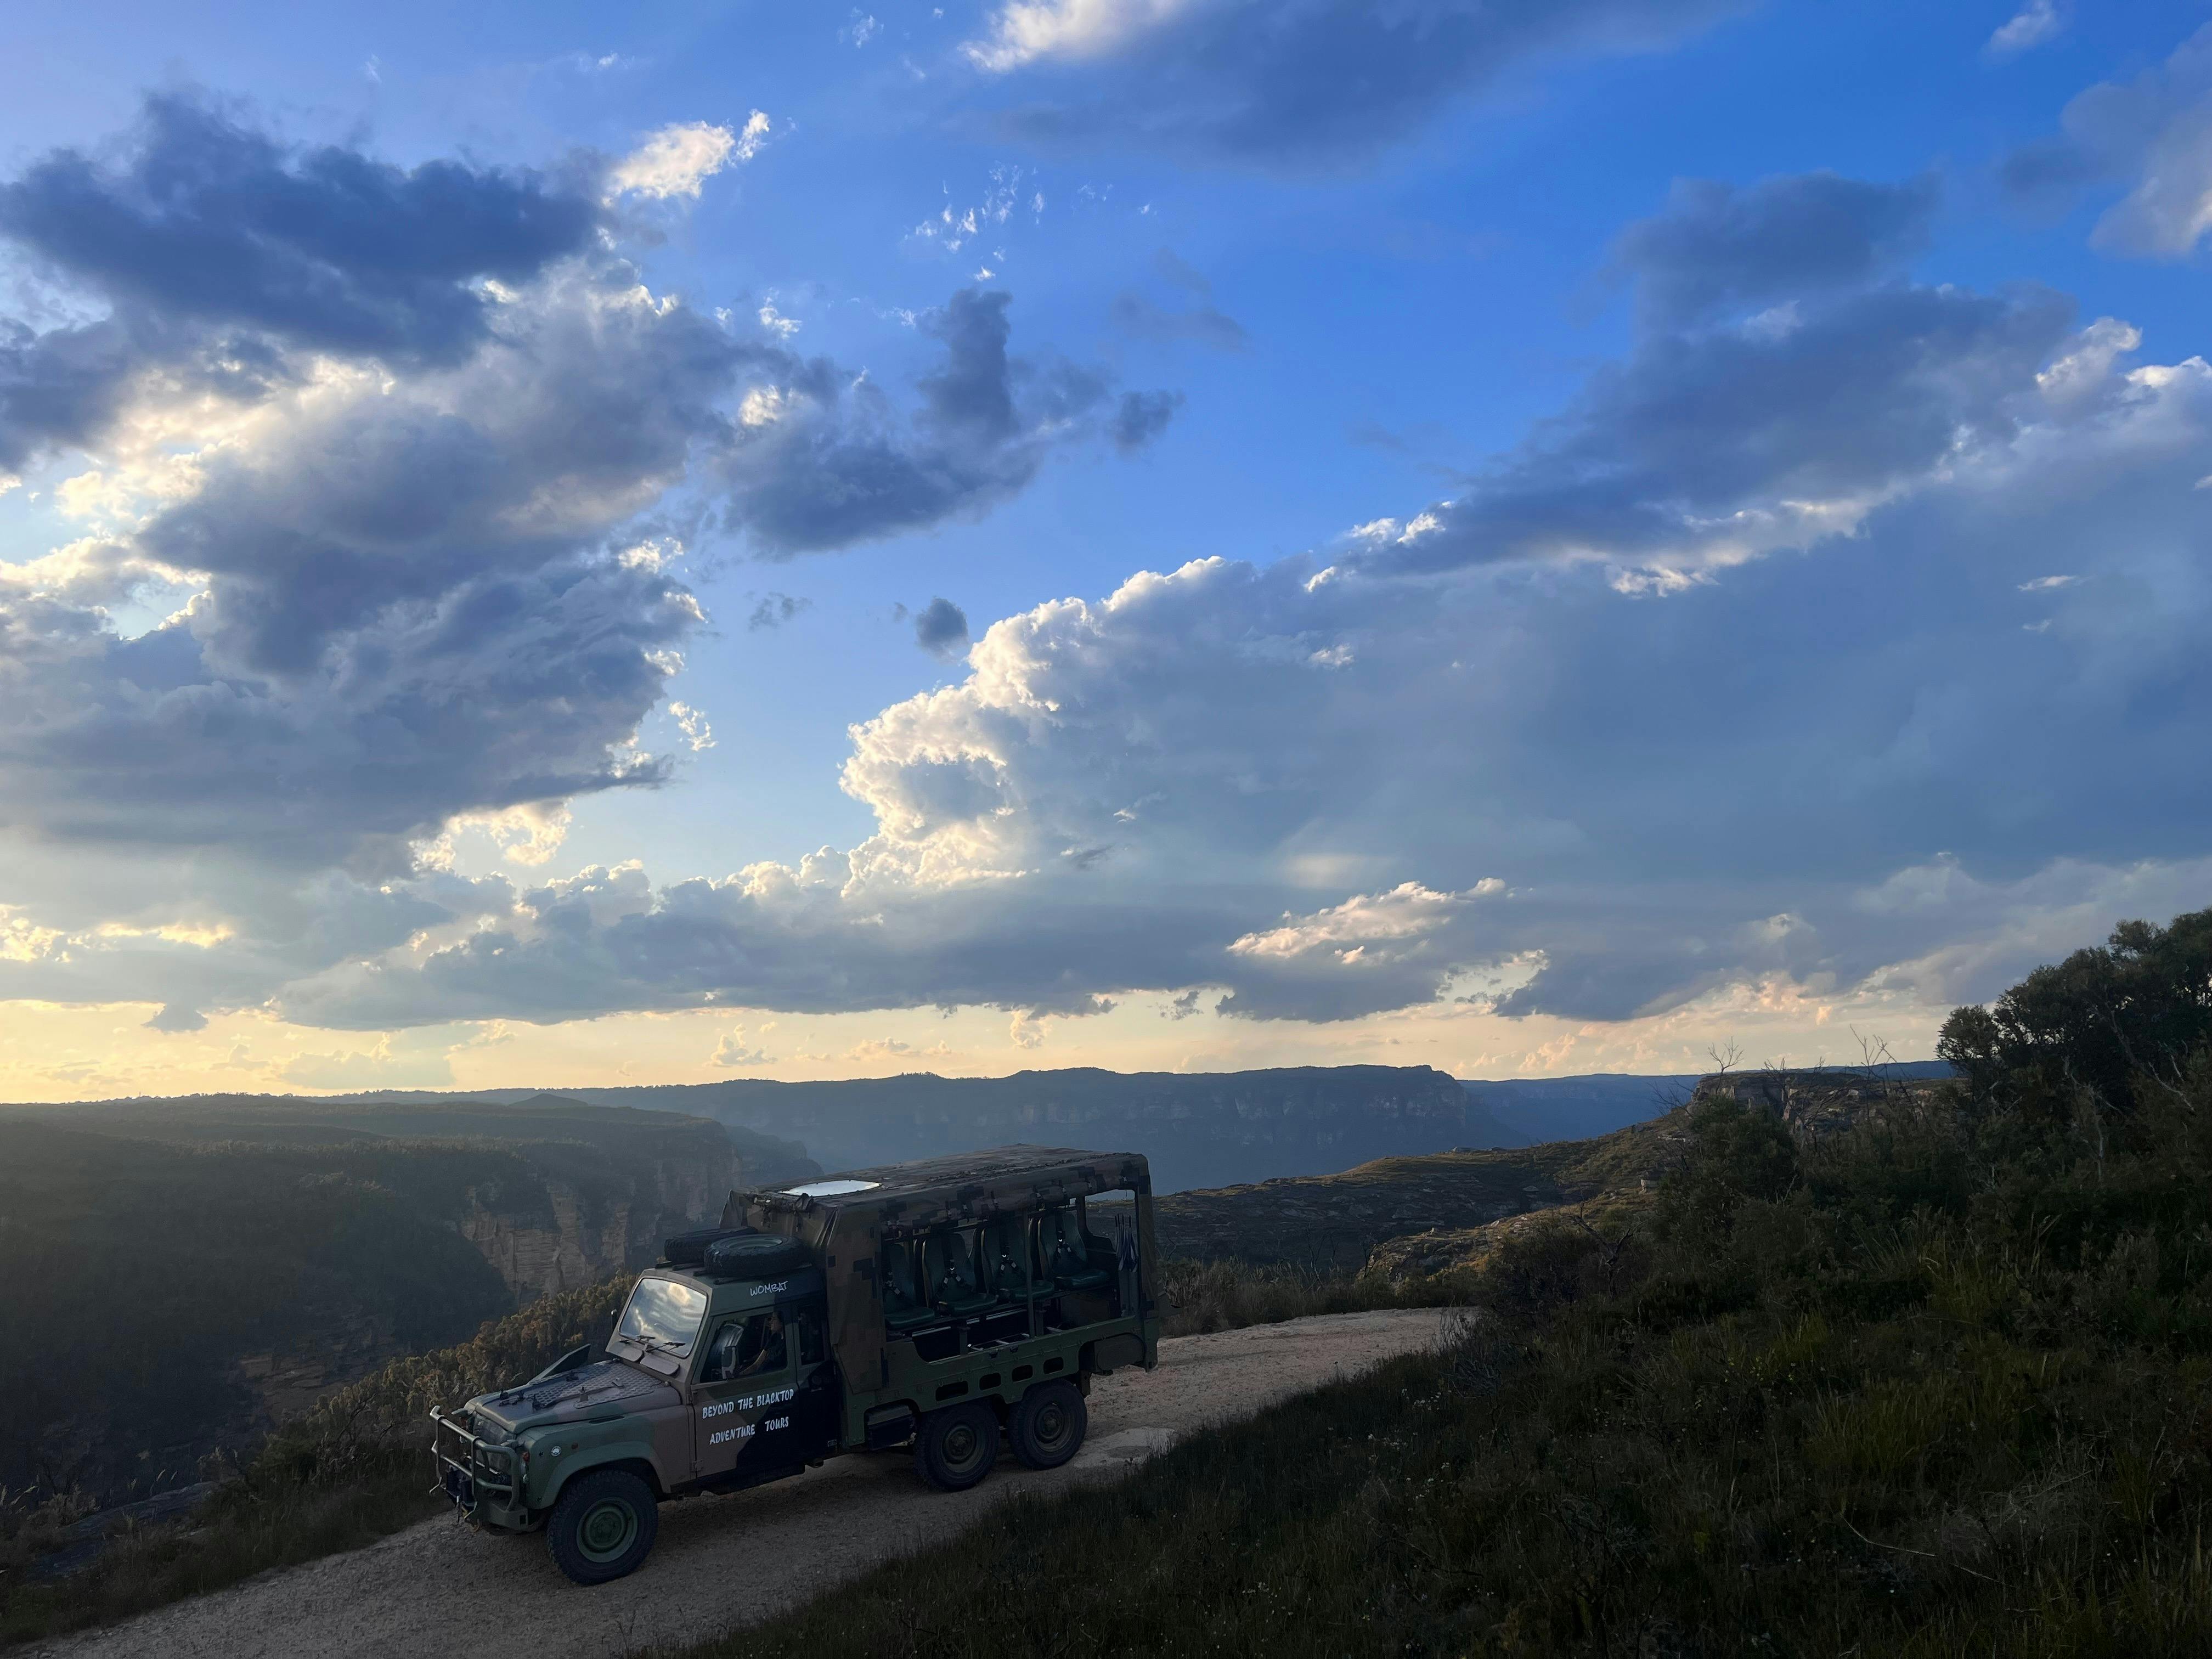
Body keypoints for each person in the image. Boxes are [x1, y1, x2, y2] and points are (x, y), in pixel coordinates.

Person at [733, 1310, 787, 1378]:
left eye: (774, 1319)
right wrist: (740, 1376)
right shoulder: (774, 1338)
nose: (770, 1321)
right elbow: (757, 1365)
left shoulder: (786, 1345)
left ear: (782, 1323)